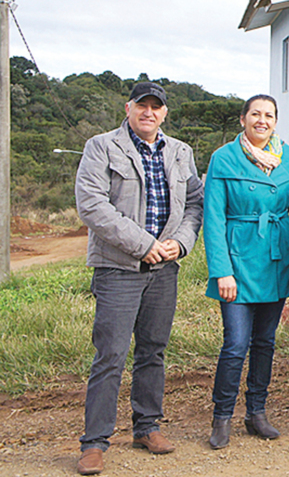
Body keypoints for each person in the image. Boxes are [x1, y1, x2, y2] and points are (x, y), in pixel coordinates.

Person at [74, 82, 204, 476]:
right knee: (110, 354)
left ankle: (147, 427)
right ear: (128, 107)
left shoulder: (181, 152)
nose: (149, 112)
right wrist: (143, 244)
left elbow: (195, 203)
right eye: (142, 106)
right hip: (118, 268)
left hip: (164, 268)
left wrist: (179, 244)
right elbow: (92, 204)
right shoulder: (102, 146)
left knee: (153, 350)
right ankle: (94, 442)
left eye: (156, 107)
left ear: (164, 113)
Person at [204, 95, 289, 449]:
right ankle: (222, 417)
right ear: (244, 119)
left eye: (269, 115)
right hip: (237, 262)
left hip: (276, 262)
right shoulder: (224, 158)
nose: (262, 120)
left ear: (276, 121)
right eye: (255, 114)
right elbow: (213, 219)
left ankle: (257, 413)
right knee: (235, 344)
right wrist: (222, 270)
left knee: (265, 342)